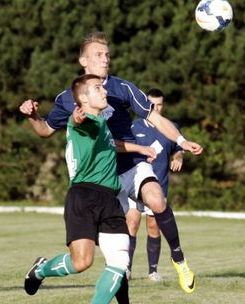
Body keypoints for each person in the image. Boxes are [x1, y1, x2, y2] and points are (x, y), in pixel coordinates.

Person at [19, 32, 201, 293]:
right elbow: (46, 130)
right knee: (85, 259)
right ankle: (49, 270)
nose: (105, 60)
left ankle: (178, 259)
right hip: (99, 180)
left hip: (131, 165)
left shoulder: (122, 88)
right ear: (83, 60)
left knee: (157, 199)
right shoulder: (68, 97)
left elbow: (155, 118)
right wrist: (33, 116)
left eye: (107, 55)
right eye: (99, 55)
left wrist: (181, 141)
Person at [24, 74, 130, 303]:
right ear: (83, 97)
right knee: (82, 263)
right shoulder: (85, 121)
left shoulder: (102, 123)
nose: (104, 92)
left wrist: (141, 148)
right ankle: (40, 270)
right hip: (85, 196)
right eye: (98, 88)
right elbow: (78, 122)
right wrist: (77, 117)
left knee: (120, 261)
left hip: (110, 199)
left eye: (103, 88)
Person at [125, 88, 184, 283]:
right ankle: (126, 268)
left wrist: (178, 157)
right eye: (152, 104)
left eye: (159, 104)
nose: (156, 108)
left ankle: (153, 271)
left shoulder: (170, 127)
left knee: (153, 227)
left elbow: (178, 149)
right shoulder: (133, 127)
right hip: (135, 184)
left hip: (159, 185)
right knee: (132, 224)